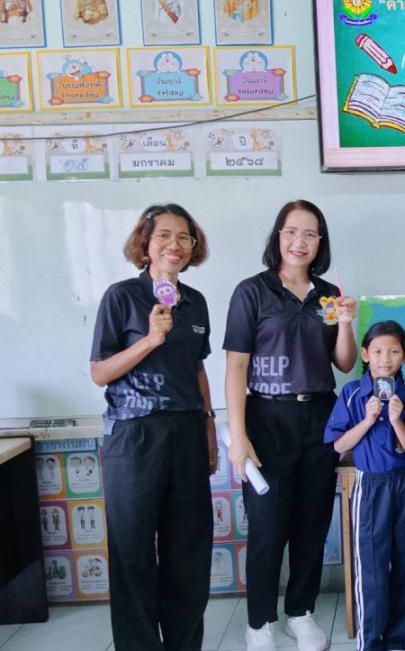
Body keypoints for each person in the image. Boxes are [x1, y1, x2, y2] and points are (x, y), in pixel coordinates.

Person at [224, 200, 357, 651]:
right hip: (266, 418)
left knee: (311, 524)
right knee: (267, 527)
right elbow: (236, 366)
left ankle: (300, 612)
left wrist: (346, 323)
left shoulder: (328, 296)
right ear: (278, 236)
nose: (300, 242)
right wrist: (238, 436)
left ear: (321, 242)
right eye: (291, 231)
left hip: (320, 418)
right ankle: (259, 621)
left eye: (310, 234)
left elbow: (344, 363)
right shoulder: (252, 292)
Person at [90, 203, 216, 651]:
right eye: (164, 235)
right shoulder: (122, 296)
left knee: (189, 552)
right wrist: (149, 340)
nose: (174, 245)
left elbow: (197, 369)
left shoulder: (196, 302)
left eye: (184, 237)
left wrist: (209, 428)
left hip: (186, 433)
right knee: (133, 554)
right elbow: (99, 372)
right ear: (145, 243)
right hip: (134, 435)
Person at [324, 320, 405, 651]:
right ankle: (370, 640)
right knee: (371, 564)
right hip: (370, 486)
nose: (385, 359)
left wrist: (396, 420)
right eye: (378, 351)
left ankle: (397, 636)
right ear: (365, 354)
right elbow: (338, 446)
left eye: (393, 352)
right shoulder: (352, 394)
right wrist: (368, 420)